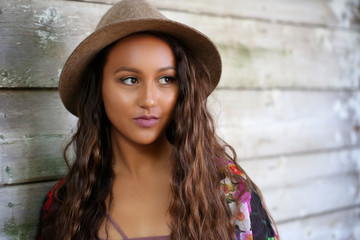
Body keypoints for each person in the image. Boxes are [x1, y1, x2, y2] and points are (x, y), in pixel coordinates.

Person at [36, 0, 279, 239]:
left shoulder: (227, 189)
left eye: (166, 79)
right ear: (98, 89)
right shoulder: (67, 203)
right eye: (130, 79)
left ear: (183, 88)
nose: (149, 100)